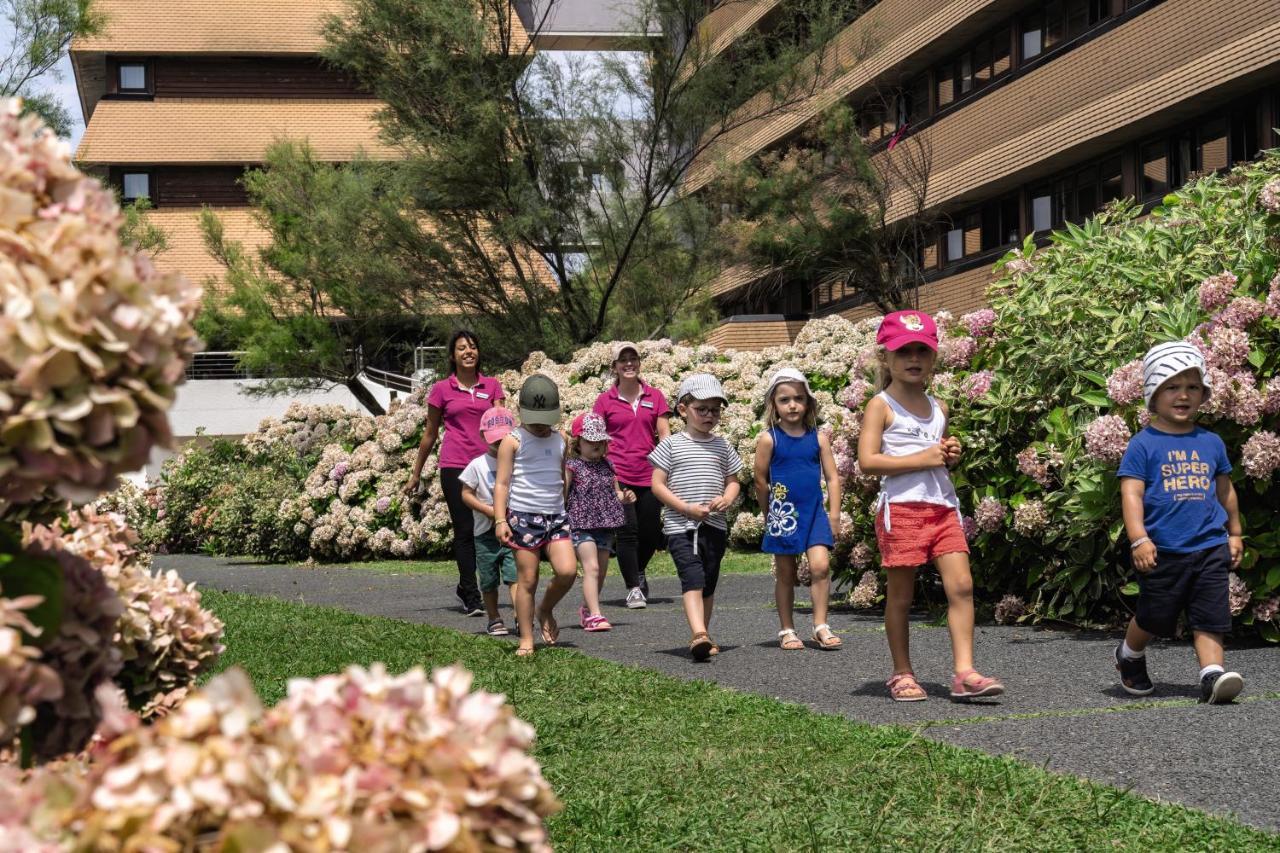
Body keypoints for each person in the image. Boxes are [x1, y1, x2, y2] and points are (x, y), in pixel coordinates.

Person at [857, 310, 1004, 702]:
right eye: (904, 350)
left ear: (934, 357)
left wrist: (948, 452)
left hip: (943, 508)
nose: (914, 358)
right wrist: (925, 457)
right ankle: (901, 673)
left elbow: (934, 455)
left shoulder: (939, 407)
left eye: (923, 350)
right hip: (902, 510)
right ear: (885, 358)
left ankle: (964, 672)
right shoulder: (881, 405)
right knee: (901, 597)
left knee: (962, 587)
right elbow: (868, 462)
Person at [1115, 341, 1245, 704]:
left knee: (1211, 616)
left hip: (1209, 546)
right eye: (1172, 386)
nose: (1183, 395)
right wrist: (1139, 538)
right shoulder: (1143, 444)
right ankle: (1129, 655)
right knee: (1156, 617)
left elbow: (1225, 491)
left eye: (1192, 387)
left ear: (1203, 394)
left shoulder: (1212, 442)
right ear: (1153, 395)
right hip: (1162, 550)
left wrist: (1234, 531)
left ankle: (1212, 676)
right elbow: (1132, 495)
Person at [406, 330, 505, 616]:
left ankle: (481, 586)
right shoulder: (441, 389)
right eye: (462, 348)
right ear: (453, 355)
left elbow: (502, 425)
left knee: (492, 524)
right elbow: (429, 434)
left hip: (489, 465)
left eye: (472, 347)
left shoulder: (493, 386)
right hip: (455, 466)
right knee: (464, 530)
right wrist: (415, 474)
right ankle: (471, 594)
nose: (468, 352)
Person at [649, 373, 742, 661]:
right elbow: (657, 485)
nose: (709, 415)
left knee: (709, 582)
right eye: (701, 409)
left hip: (714, 526)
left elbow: (734, 480)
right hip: (681, 526)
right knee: (693, 577)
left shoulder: (722, 445)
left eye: (715, 410)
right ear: (683, 409)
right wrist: (685, 508)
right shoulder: (672, 445)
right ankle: (698, 633)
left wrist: (727, 497)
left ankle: (704, 632)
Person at [753, 367, 842, 651]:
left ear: (808, 402)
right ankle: (787, 629)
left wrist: (835, 513)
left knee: (820, 566)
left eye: (798, 398)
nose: (792, 405)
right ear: (773, 405)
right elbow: (759, 479)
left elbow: (832, 477)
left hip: (815, 512)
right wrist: (769, 513)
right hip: (784, 514)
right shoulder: (770, 439)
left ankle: (820, 625)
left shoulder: (818, 438)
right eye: (784, 399)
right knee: (786, 573)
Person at [492, 374, 578, 657]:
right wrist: (501, 520)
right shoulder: (512, 441)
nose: (541, 426)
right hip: (523, 518)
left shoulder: (561, 439)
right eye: (535, 419)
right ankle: (526, 639)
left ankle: (545, 608)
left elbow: (561, 477)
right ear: (521, 413)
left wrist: (563, 507)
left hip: (555, 516)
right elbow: (502, 484)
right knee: (527, 580)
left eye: (546, 419)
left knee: (567, 571)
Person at [593, 342, 672, 609]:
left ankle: (637, 569)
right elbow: (597, 441)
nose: (628, 363)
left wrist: (667, 468)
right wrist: (608, 477)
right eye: (622, 359)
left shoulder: (655, 396)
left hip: (649, 474)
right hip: (619, 475)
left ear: (639, 363)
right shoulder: (604, 401)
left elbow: (665, 436)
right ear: (614, 367)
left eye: (633, 358)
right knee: (627, 532)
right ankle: (634, 587)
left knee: (650, 532)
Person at [566, 412, 635, 632]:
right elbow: (563, 493)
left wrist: (625, 497)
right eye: (590, 440)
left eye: (600, 440)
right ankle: (596, 615)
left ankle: (587, 610)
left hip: (605, 525)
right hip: (581, 523)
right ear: (578, 442)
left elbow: (615, 493)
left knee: (601, 572)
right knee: (592, 568)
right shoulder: (572, 466)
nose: (596, 444)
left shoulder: (608, 465)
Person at [459, 406, 520, 637]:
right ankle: (494, 617)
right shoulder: (477, 465)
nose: (499, 444)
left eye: (504, 439)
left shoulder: (519, 461)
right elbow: (465, 493)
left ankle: (519, 615)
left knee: (515, 576)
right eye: (495, 439)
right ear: (483, 436)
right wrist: (487, 510)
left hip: (513, 529)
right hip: (485, 533)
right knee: (488, 579)